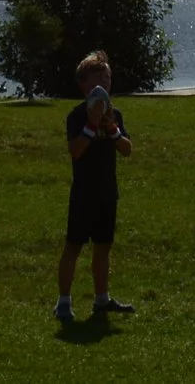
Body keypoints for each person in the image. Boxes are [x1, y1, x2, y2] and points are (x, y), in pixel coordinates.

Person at [55, 49, 135, 322]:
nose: (103, 85)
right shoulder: (76, 117)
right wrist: (91, 124)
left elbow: (127, 149)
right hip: (83, 194)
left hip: (107, 191)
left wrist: (111, 128)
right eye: (97, 80)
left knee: (103, 247)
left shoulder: (115, 115)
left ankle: (102, 298)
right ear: (83, 85)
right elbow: (75, 151)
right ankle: (63, 301)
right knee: (74, 247)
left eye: (108, 79)